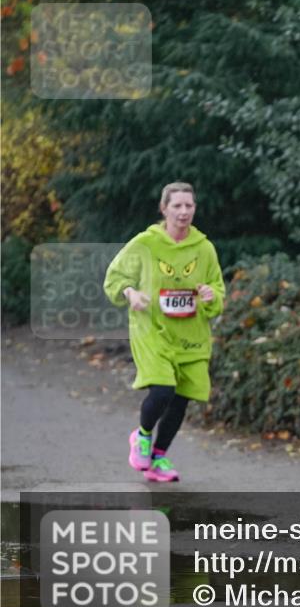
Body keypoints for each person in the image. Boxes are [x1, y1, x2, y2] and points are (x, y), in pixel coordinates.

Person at [104, 182, 225, 482]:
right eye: (177, 206)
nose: (184, 212)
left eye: (189, 206)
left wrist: (212, 296)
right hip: (152, 330)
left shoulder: (205, 248)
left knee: (182, 398)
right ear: (164, 209)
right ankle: (142, 436)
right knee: (162, 389)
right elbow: (114, 277)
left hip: (190, 334)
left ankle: (158, 457)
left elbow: (218, 290)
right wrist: (130, 293)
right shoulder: (146, 243)